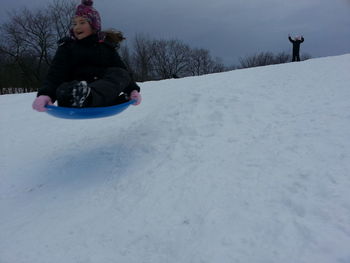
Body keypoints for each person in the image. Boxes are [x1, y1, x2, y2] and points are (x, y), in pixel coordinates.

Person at [32, 0, 141, 112]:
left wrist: (132, 90)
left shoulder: (106, 47)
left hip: (102, 91)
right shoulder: (67, 47)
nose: (77, 27)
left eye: (82, 22)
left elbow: (122, 71)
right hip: (73, 96)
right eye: (74, 23)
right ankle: (80, 96)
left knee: (120, 74)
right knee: (65, 89)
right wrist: (45, 94)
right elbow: (55, 74)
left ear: (94, 26)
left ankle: (90, 97)